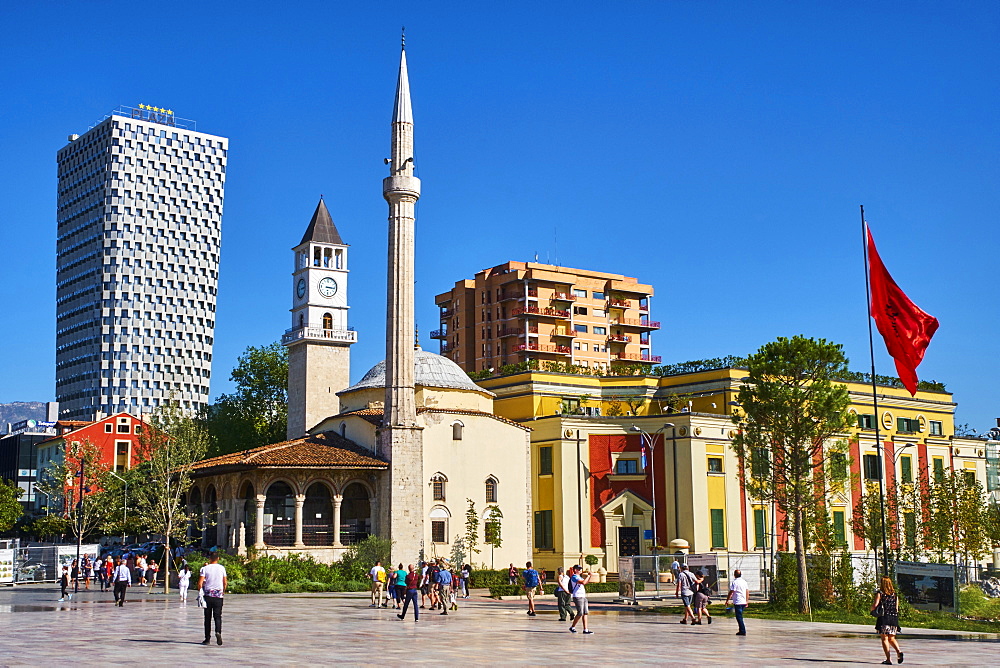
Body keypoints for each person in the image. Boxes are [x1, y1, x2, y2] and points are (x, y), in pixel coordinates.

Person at [198, 552, 227, 645]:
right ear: (218, 558)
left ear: (210, 558)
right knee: (218, 616)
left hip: (208, 595)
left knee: (207, 617)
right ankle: (218, 632)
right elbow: (225, 582)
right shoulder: (222, 568)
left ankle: (207, 638)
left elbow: (200, 583)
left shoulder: (205, 568)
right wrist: (223, 590)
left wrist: (201, 591)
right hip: (218, 595)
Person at [872, 577, 903, 665]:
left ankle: (888, 659)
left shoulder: (880, 594)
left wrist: (873, 611)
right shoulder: (895, 595)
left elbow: (875, 605)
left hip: (884, 618)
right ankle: (899, 651)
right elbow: (896, 608)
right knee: (892, 638)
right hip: (894, 619)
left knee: (884, 638)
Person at [568, 565, 593, 634]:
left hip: (583, 596)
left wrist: (589, 576)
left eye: (581, 569)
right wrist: (588, 576)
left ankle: (586, 629)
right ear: (575, 570)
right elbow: (583, 582)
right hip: (578, 596)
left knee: (585, 613)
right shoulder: (574, 577)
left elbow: (585, 582)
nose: (580, 570)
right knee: (580, 613)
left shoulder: (579, 577)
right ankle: (572, 627)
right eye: (579, 569)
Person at [725, 568, 749, 636]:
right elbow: (747, 591)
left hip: (738, 601)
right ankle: (741, 630)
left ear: (734, 575)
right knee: (740, 616)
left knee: (739, 617)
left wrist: (727, 600)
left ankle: (742, 630)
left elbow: (731, 591)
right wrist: (747, 601)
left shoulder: (735, 582)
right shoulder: (744, 582)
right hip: (743, 601)